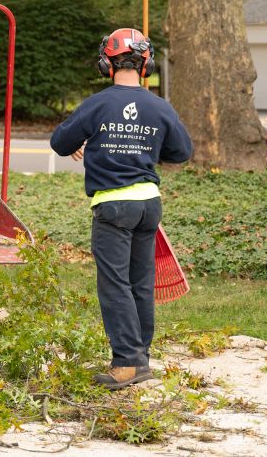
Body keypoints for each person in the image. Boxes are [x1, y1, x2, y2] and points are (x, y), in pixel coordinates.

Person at [50, 28, 192, 390]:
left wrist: (87, 140)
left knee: (115, 285)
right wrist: (145, 144)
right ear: (146, 64)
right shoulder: (160, 106)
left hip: (113, 207)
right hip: (148, 205)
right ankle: (139, 355)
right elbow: (182, 152)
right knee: (140, 284)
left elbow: (60, 142)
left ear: (106, 63)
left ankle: (127, 362)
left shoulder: (96, 105)